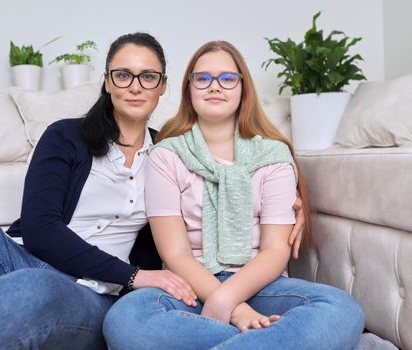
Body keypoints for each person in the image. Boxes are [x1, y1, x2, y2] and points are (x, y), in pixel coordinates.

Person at [0, 33, 304, 349]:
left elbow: (221, 190)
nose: (135, 86)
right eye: (123, 75)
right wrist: (134, 275)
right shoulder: (64, 136)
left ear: (163, 86)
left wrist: (294, 204)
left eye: (148, 76)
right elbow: (39, 227)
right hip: (17, 260)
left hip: (90, 296)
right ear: (106, 80)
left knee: (31, 291)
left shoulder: (173, 154)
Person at [103, 40, 365, 350]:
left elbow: (274, 251)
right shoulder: (166, 155)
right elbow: (175, 255)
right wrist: (235, 311)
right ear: (188, 88)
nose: (215, 87)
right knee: (124, 320)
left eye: (227, 78)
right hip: (187, 288)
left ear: (243, 87)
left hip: (259, 285)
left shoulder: (273, 155)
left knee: (341, 310)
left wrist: (228, 297)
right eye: (203, 78)